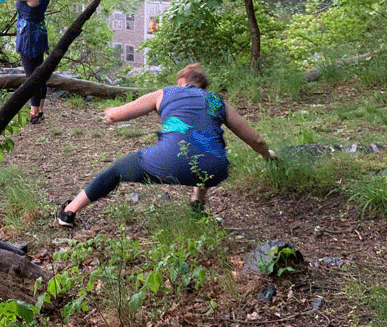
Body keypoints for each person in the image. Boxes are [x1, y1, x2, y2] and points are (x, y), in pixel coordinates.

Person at [57, 63, 277, 227]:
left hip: (168, 161)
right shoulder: (216, 101)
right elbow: (255, 139)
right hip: (216, 169)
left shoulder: (166, 92)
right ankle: (197, 207)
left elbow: (116, 116)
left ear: (181, 80)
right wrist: (268, 156)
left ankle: (68, 212)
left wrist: (108, 112)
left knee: (116, 171)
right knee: (206, 141)